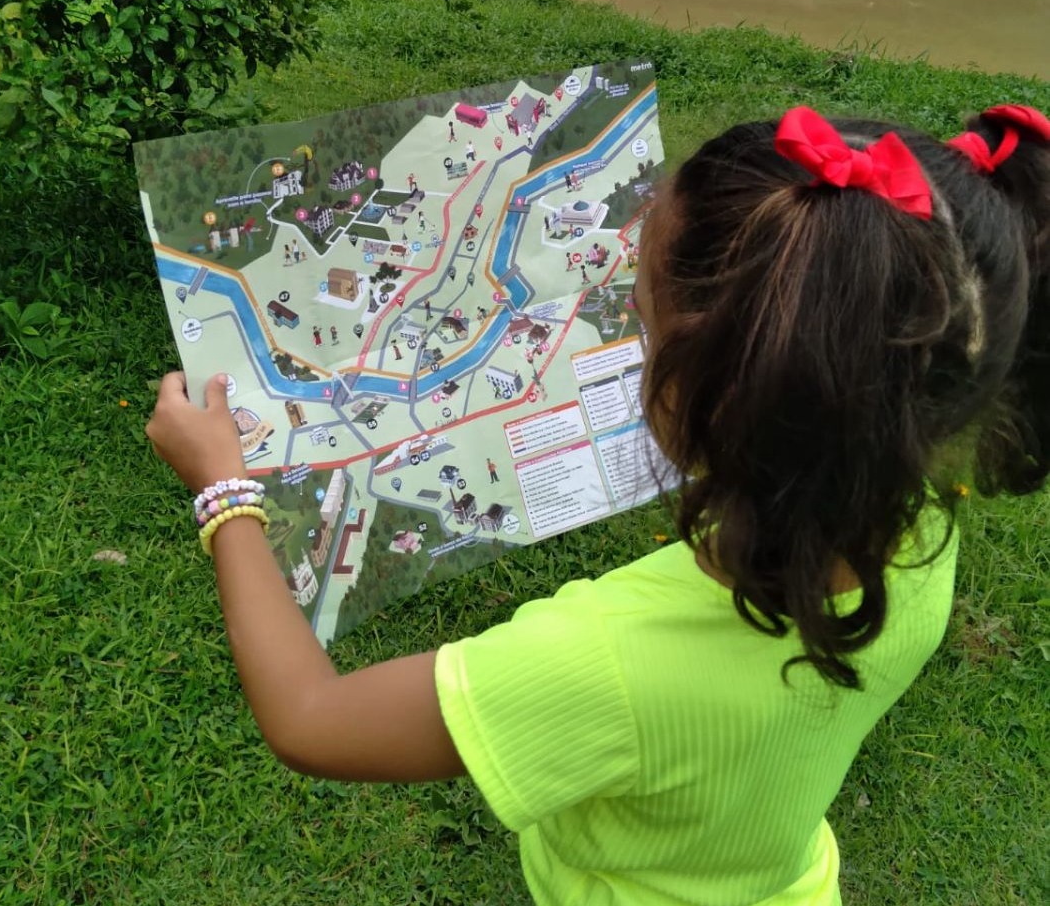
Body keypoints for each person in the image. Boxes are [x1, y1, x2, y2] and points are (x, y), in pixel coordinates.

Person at [146, 104, 1049, 905]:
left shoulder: (602, 662)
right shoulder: (920, 533)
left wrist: (226, 491)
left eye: (641, 323)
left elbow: (310, 719)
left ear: (700, 401)